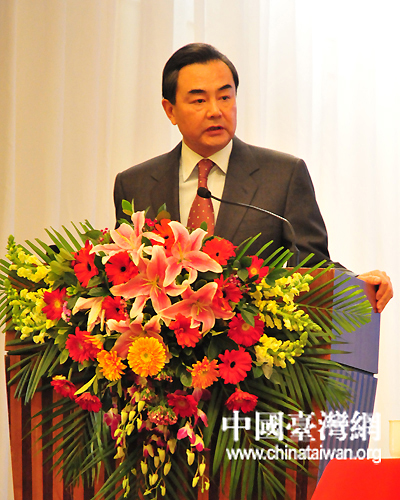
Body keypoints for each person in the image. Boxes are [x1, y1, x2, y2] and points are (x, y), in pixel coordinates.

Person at [114, 43, 392, 312]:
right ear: (170, 110)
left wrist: (361, 284)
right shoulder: (135, 184)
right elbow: (123, 273)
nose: (215, 110)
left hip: (252, 339)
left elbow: (311, 265)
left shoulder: (283, 176)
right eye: (199, 100)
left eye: (225, 97)